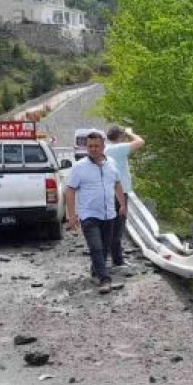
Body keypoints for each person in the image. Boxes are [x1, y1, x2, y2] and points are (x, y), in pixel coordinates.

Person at [64, 131, 126, 293]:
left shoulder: (111, 163)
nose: (93, 149)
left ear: (103, 146)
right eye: (90, 146)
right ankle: (105, 280)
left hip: (109, 214)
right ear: (86, 147)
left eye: (96, 146)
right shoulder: (79, 167)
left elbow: (117, 183)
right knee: (96, 247)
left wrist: (122, 204)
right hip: (89, 215)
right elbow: (69, 190)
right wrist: (71, 216)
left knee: (104, 248)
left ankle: (96, 271)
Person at [104, 125, 145, 270]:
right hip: (119, 194)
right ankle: (117, 261)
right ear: (120, 137)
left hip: (110, 193)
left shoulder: (107, 149)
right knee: (118, 227)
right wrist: (131, 133)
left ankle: (111, 259)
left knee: (111, 226)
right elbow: (140, 142)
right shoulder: (117, 149)